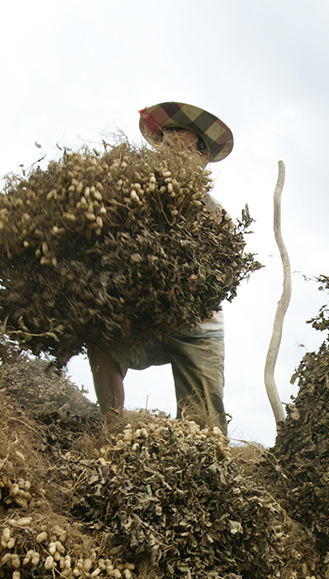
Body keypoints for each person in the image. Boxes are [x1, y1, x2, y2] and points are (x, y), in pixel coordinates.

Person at [88, 102, 234, 429]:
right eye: (166, 143)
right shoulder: (136, 193)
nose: (170, 149)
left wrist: (197, 282)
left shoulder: (215, 215)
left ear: (200, 157)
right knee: (102, 341)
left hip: (198, 322)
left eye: (180, 145)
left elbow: (225, 273)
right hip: (143, 311)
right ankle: (112, 432)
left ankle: (203, 458)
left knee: (206, 426)